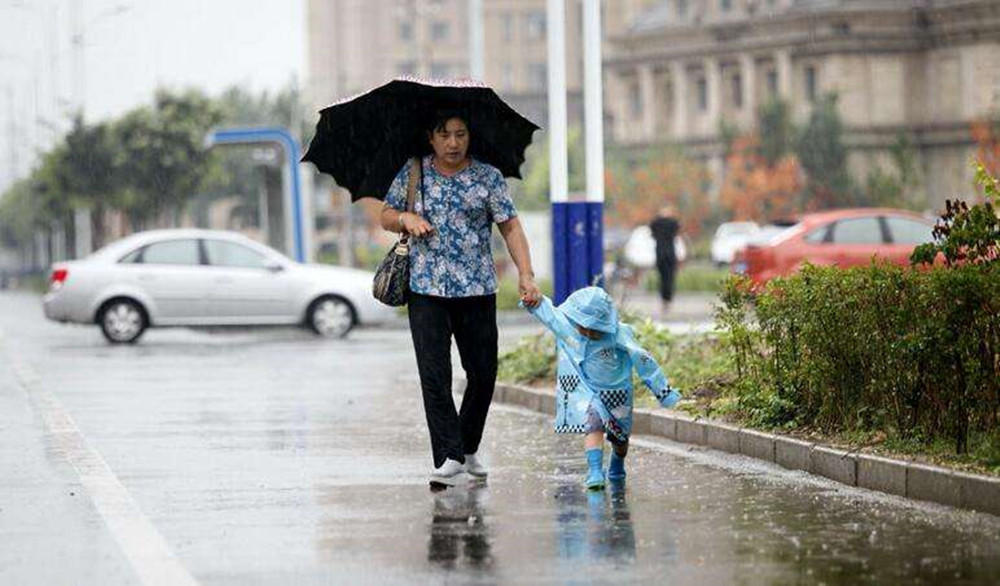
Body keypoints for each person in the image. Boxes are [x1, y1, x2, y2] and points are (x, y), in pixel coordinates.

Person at [381, 109, 542, 488]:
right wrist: (406, 219)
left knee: (484, 374)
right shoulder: (414, 171)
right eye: (444, 135)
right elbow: (386, 214)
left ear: (469, 136)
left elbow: (511, 226)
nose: (453, 142)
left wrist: (526, 273)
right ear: (431, 138)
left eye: (460, 134)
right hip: (426, 290)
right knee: (435, 376)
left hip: (477, 290)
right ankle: (449, 455)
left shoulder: (487, 177)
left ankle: (467, 446)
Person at [522, 286, 680, 490]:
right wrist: (536, 302)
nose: (587, 332)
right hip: (591, 394)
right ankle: (595, 471)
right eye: (583, 326)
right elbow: (552, 317)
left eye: (594, 328)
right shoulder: (570, 331)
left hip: (618, 395)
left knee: (620, 439)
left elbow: (643, 359)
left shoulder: (619, 334)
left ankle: (617, 462)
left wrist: (663, 391)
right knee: (593, 426)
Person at [649, 207, 681, 317]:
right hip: (670, 254)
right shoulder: (673, 223)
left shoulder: (656, 223)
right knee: (670, 278)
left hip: (660, 254)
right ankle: (668, 299)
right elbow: (677, 230)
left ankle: (663, 299)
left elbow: (652, 232)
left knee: (662, 278)